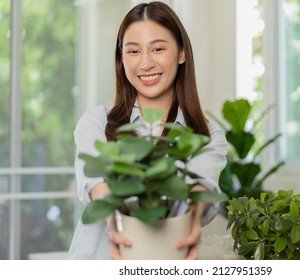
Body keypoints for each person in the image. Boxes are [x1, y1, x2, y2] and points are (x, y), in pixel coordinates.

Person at [67, 1, 227, 260]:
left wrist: (194, 217)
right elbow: (94, 183)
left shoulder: (206, 133)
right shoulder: (97, 122)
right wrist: (113, 219)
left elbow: (201, 185)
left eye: (158, 49)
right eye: (133, 51)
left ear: (182, 53)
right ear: (121, 58)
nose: (145, 63)